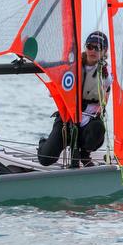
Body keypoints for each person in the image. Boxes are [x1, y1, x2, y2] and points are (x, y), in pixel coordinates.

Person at [38, 31, 112, 168]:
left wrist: (104, 74)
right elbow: (56, 76)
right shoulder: (72, 66)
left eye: (98, 48)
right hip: (67, 120)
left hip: (88, 122)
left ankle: (85, 153)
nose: (93, 51)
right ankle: (43, 143)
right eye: (90, 46)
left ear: (105, 50)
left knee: (98, 129)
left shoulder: (105, 71)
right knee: (45, 159)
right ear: (85, 47)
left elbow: (108, 83)